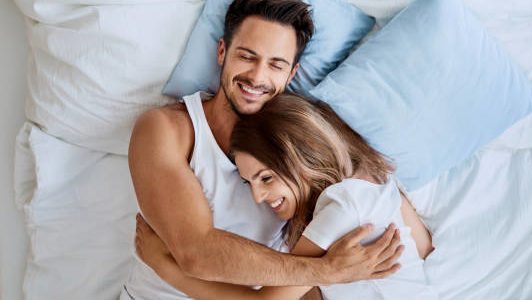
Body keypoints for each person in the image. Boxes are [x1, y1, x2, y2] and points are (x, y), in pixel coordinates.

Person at [122, 0, 402, 299]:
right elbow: (195, 252)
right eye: (247, 56)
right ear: (222, 52)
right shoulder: (168, 129)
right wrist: (327, 270)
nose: (257, 77)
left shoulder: (303, 148)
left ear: (291, 74)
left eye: (275, 65)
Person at [134, 94, 438, 299]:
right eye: (249, 182)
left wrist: (166, 267)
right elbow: (423, 248)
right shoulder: (379, 185)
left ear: (301, 157)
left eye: (266, 178)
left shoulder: (344, 206)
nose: (258, 197)